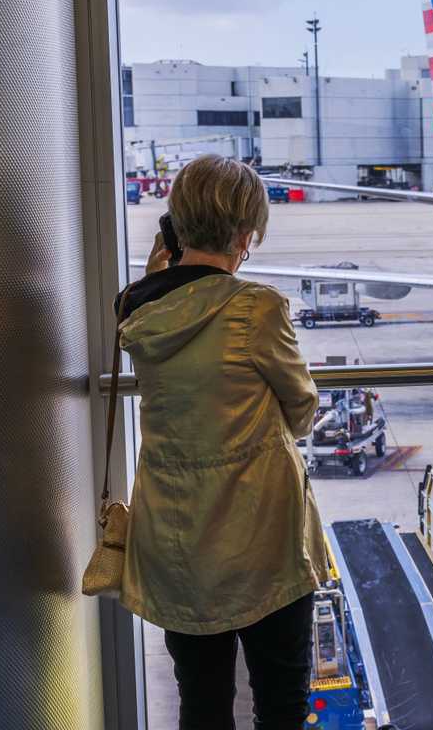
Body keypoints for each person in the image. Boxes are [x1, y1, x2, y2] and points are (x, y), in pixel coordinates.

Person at [116, 154, 326, 729]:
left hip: (176, 540)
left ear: (175, 223)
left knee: (202, 705)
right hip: (263, 544)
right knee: (280, 705)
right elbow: (302, 410)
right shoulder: (255, 308)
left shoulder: (138, 307)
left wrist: (157, 271)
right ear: (245, 232)